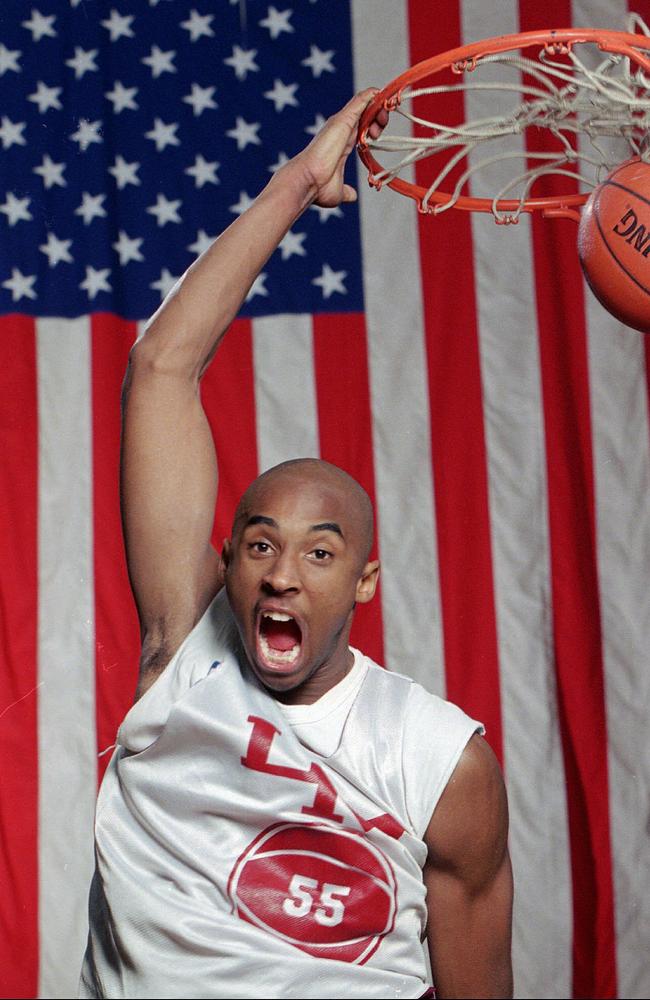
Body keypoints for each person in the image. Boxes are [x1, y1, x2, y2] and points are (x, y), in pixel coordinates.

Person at [80, 90, 513, 1000]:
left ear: (364, 581)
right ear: (227, 561)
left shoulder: (440, 760)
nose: (282, 572)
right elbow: (161, 368)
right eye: (260, 546)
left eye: (320, 553)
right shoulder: (185, 649)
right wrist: (298, 184)